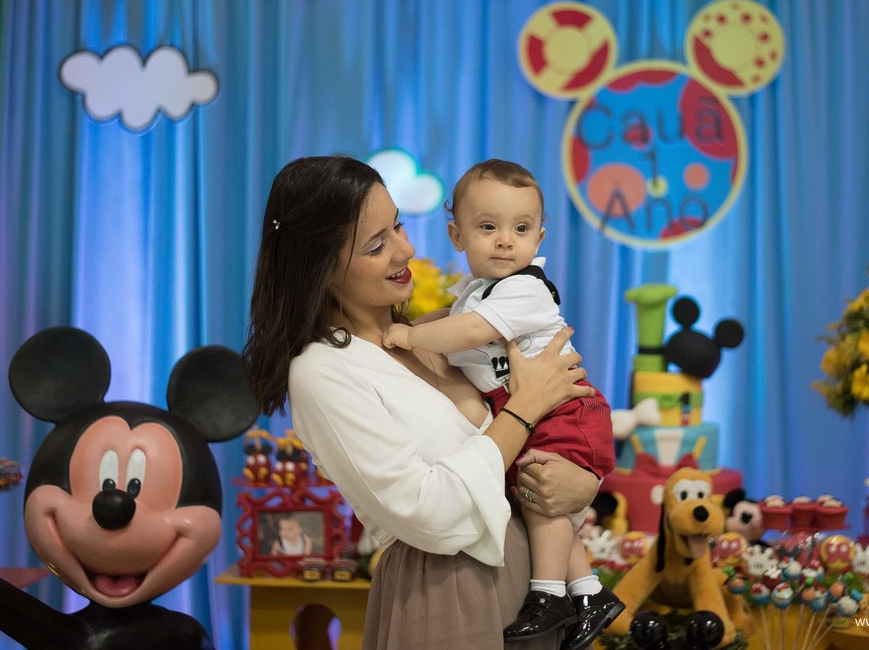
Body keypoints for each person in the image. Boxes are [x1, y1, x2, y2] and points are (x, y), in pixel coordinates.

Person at [242, 155, 603, 650]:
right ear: (322, 268)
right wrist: (527, 407)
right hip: (448, 590)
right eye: (377, 244)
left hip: (533, 583)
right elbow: (431, 513)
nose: (405, 250)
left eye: (398, 227)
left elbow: (544, 444)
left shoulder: (438, 334)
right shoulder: (323, 371)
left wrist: (580, 483)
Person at [383, 159, 621, 647]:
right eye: (488, 227)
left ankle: (550, 592)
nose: (505, 240)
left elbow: (470, 331)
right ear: (456, 235)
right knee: (535, 492)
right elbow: (457, 319)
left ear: (539, 237)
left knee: (538, 493)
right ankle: (589, 590)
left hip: (564, 408)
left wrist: (409, 333)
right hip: (537, 408)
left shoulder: (525, 289)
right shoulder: (475, 293)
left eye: (521, 228)